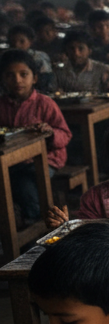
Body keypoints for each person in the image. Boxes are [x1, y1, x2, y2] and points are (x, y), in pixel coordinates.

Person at [0, 49, 72, 222]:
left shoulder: (45, 103)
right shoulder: (2, 105)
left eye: (23, 74)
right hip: (12, 161)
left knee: (23, 183)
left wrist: (50, 133)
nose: (17, 80)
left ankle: (36, 224)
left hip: (45, 160)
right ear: (3, 79)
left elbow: (65, 134)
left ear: (35, 78)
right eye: (10, 75)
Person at [52, 28, 109, 95]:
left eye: (81, 48)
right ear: (65, 51)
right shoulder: (59, 72)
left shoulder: (103, 70)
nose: (76, 53)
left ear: (89, 50)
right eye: (71, 48)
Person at [7, 23, 53, 93]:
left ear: (30, 41)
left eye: (22, 41)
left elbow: (46, 79)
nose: (16, 45)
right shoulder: (6, 58)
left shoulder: (39, 57)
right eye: (13, 41)